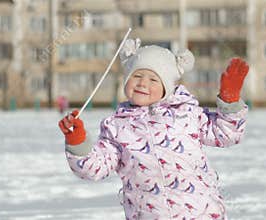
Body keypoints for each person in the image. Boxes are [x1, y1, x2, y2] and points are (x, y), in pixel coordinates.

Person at [58, 38, 249, 220]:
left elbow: (226, 134)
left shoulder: (187, 114)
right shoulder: (117, 127)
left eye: (153, 80)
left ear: (167, 87)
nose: (143, 83)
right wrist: (77, 142)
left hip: (200, 213)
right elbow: (94, 168)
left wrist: (229, 101)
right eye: (137, 76)